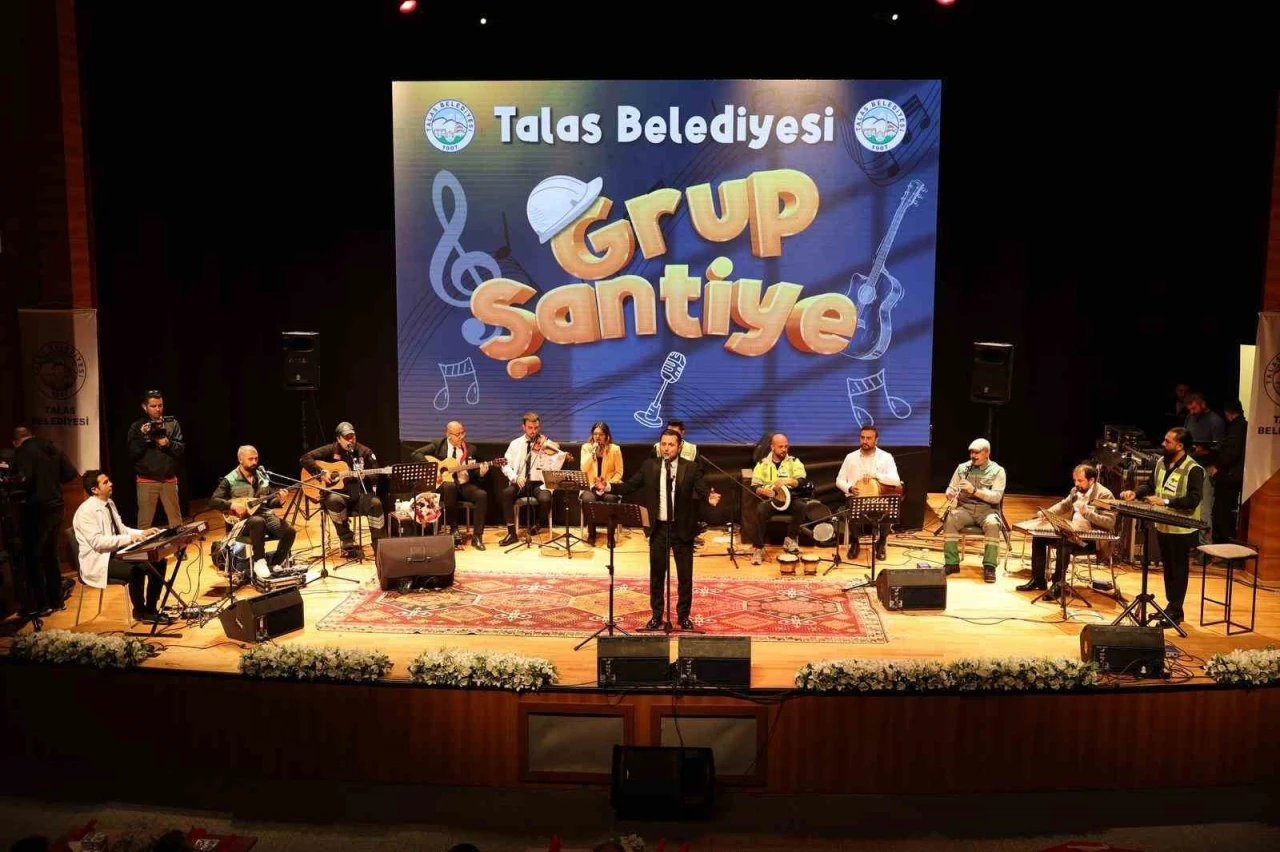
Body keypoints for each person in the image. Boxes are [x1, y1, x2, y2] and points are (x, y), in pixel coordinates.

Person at [597, 428, 720, 630]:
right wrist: (608, 487)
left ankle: (683, 616)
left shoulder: (690, 467)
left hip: (681, 529)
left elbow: (702, 488)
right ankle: (656, 615)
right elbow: (630, 485)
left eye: (671, 444)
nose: (666, 448)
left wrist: (709, 496)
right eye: (663, 444)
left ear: (679, 447)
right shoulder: (650, 466)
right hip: (659, 529)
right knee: (657, 576)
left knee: (685, 576)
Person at [1120, 427, 1203, 627]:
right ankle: (1171, 608)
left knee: (1178, 569)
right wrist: (1136, 493)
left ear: (1180, 446)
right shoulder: (1161, 463)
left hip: (1182, 528)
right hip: (1163, 525)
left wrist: (1165, 501)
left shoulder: (1194, 469)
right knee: (1168, 568)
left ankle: (1176, 610)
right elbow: (1150, 485)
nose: (1163, 444)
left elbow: (1193, 500)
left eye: (1168, 441)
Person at [72, 469, 170, 623]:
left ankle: (151, 608)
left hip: (117, 553)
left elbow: (121, 529)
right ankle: (140, 611)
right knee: (136, 571)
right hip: (101, 560)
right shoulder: (86, 512)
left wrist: (143, 533)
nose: (111, 484)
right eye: (105, 482)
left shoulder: (109, 503)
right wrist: (130, 539)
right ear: (94, 490)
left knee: (158, 561)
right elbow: (98, 542)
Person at [1016, 464, 1116, 598]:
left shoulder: (1104, 494)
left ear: (1092, 480)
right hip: (1073, 533)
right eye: (1075, 480)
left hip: (1092, 539)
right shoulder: (1076, 491)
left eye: (1080, 480)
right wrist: (1047, 513)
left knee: (1063, 543)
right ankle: (1038, 579)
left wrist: (1087, 513)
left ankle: (1058, 585)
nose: (1076, 484)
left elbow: (1109, 522)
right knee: (1039, 538)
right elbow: (1064, 505)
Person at [11, 427, 79, 617]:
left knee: (33, 557)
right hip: (57, 507)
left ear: (15, 441)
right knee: (51, 554)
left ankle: (40, 604)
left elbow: (24, 480)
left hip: (37, 510)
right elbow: (70, 473)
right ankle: (56, 600)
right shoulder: (50, 446)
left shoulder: (23, 451)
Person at [301, 422, 387, 557]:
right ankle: (347, 540)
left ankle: (379, 543)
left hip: (361, 496)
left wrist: (366, 476)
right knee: (333, 500)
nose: (351, 440)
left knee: (375, 503)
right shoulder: (331, 449)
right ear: (338, 439)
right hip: (339, 496)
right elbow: (305, 459)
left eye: (353, 436)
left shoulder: (365, 452)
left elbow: (376, 473)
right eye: (347, 437)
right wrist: (320, 472)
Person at [210, 445, 297, 575]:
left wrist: (280, 500)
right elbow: (214, 501)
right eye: (250, 459)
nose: (254, 462)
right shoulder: (230, 479)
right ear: (240, 459)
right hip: (242, 522)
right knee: (257, 521)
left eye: (256, 458)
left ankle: (275, 563)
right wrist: (232, 506)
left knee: (289, 531)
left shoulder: (262, 477)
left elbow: (268, 502)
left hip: (265, 515)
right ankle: (259, 561)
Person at [411, 420, 491, 550]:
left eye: (463, 433)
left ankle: (477, 537)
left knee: (482, 495)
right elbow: (416, 454)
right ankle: (454, 529)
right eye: (458, 434)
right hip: (444, 486)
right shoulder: (438, 444)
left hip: (464, 485)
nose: (462, 437)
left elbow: (475, 475)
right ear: (448, 435)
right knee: (450, 486)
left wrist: (481, 473)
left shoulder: (471, 449)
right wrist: (433, 469)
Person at [942, 438, 1008, 582]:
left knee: (993, 524)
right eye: (971, 452)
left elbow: (996, 497)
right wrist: (949, 493)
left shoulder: (998, 471)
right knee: (950, 519)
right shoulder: (962, 468)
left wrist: (974, 490)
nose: (973, 456)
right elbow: (951, 487)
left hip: (987, 510)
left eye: (977, 453)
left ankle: (989, 566)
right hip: (966, 509)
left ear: (987, 453)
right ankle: (952, 563)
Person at [498, 412, 566, 546]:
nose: (533, 431)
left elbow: (557, 450)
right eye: (530, 428)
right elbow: (505, 464)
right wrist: (515, 477)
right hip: (521, 481)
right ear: (523, 427)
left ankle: (539, 524)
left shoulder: (545, 443)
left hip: (539, 483)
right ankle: (512, 533)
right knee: (506, 494)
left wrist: (549, 448)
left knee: (546, 499)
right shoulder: (515, 444)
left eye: (536, 428)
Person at [835, 424, 901, 560]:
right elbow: (839, 480)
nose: (865, 441)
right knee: (852, 508)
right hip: (856, 498)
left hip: (878, 498)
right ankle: (855, 542)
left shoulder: (886, 457)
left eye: (869, 438)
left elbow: (896, 481)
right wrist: (850, 488)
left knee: (888, 510)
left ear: (876, 440)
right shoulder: (850, 457)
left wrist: (876, 475)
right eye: (862, 437)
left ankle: (881, 542)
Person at [125, 389, 185, 529]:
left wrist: (168, 443)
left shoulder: (172, 423)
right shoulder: (137, 427)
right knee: (144, 524)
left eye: (160, 405)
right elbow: (133, 453)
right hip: (146, 480)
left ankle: (180, 544)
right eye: (153, 406)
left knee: (176, 522)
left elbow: (180, 448)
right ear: (144, 407)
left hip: (168, 479)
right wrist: (143, 436)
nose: (158, 409)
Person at [748, 433, 806, 565]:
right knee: (761, 509)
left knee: (801, 506)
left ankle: (790, 539)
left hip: (790, 498)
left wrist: (789, 481)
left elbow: (802, 481)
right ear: (772, 447)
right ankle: (758, 548)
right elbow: (755, 486)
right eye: (780, 447)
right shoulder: (762, 464)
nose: (784, 449)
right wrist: (763, 491)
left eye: (786, 446)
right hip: (772, 500)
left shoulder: (794, 462)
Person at [1208, 399, 1247, 543]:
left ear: (1228, 413)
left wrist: (1217, 465)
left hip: (1229, 477)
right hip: (1234, 476)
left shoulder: (1236, 427)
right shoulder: (1244, 425)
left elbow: (1231, 452)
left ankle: (1226, 545)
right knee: (1226, 513)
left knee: (1222, 513)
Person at [580, 421, 623, 545]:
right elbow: (583, 468)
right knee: (588, 499)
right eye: (595, 434)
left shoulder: (615, 449)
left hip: (608, 486)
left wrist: (606, 484)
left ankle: (610, 536)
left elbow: (619, 472)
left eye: (601, 434)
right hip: (591, 486)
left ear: (607, 436)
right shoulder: (586, 448)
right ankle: (591, 534)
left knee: (611, 499)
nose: (597, 437)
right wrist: (592, 453)